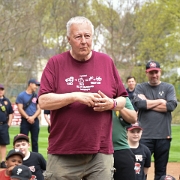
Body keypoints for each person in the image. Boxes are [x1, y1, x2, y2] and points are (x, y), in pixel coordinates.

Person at [38, 16, 128, 179]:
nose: (83, 41)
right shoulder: (55, 63)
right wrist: (74, 96)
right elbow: (43, 100)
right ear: (69, 39)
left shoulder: (106, 62)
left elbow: (122, 99)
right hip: (63, 153)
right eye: (78, 36)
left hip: (100, 153)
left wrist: (111, 103)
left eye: (87, 36)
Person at [133, 60, 177, 180]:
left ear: (160, 72)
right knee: (139, 170)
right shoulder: (141, 87)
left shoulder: (168, 87)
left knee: (161, 171)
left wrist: (147, 101)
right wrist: (160, 101)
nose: (154, 75)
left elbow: (171, 106)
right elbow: (139, 104)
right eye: (151, 72)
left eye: (156, 72)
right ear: (147, 73)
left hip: (163, 136)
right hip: (145, 136)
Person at [113, 97, 137, 180]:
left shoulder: (121, 96)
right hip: (95, 150)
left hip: (120, 147)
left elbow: (133, 118)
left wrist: (116, 104)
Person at [16, 79, 41, 152]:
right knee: (23, 140)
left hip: (35, 120)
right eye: (35, 85)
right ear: (30, 84)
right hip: (25, 120)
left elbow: (39, 108)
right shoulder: (21, 95)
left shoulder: (36, 96)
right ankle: (22, 155)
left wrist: (33, 117)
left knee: (35, 141)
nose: (36, 87)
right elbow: (20, 108)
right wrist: (27, 117)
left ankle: (35, 157)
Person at [0, 84, 14, 168]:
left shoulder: (6, 101)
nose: (0, 91)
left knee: (3, 143)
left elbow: (11, 113)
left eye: (2, 89)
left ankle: (2, 161)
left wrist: (9, 123)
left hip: (3, 125)